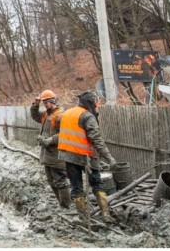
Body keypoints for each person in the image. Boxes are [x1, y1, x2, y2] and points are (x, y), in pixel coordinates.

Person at [57, 90, 116, 225]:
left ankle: (83, 218)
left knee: (76, 186)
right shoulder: (87, 116)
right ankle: (105, 215)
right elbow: (97, 139)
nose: (98, 106)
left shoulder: (67, 113)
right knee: (97, 183)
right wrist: (109, 158)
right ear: (90, 103)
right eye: (97, 103)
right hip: (85, 156)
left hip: (68, 155)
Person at [29, 90, 71, 208]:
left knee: (60, 181)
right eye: (43, 103)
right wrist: (35, 105)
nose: (44, 105)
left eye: (45, 103)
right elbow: (35, 116)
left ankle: (65, 205)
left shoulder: (60, 116)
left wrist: (50, 140)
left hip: (58, 155)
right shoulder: (47, 115)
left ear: (51, 101)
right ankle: (61, 203)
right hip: (48, 155)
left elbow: (65, 134)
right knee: (52, 181)